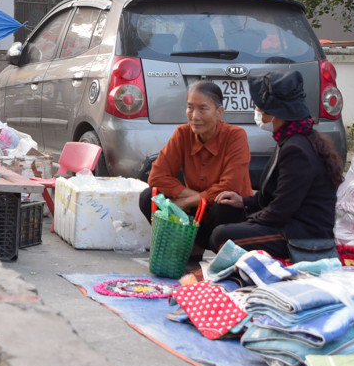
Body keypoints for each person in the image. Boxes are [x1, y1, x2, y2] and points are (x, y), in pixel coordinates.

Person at [211, 70, 343, 261]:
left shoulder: (297, 149)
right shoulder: (290, 139)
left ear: (274, 113)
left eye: (259, 107)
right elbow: (272, 196)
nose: (256, 111)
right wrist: (244, 202)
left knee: (221, 236)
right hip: (286, 222)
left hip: (302, 234)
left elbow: (280, 210)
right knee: (224, 210)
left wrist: (248, 222)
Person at [139, 80, 253, 252]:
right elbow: (156, 176)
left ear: (219, 112)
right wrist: (195, 198)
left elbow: (230, 187)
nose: (195, 116)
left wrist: (187, 201)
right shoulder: (182, 133)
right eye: (190, 107)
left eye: (203, 109)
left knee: (223, 206)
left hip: (225, 214)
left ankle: (205, 249)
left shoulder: (236, 136)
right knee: (149, 197)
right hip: (197, 211)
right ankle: (185, 248)